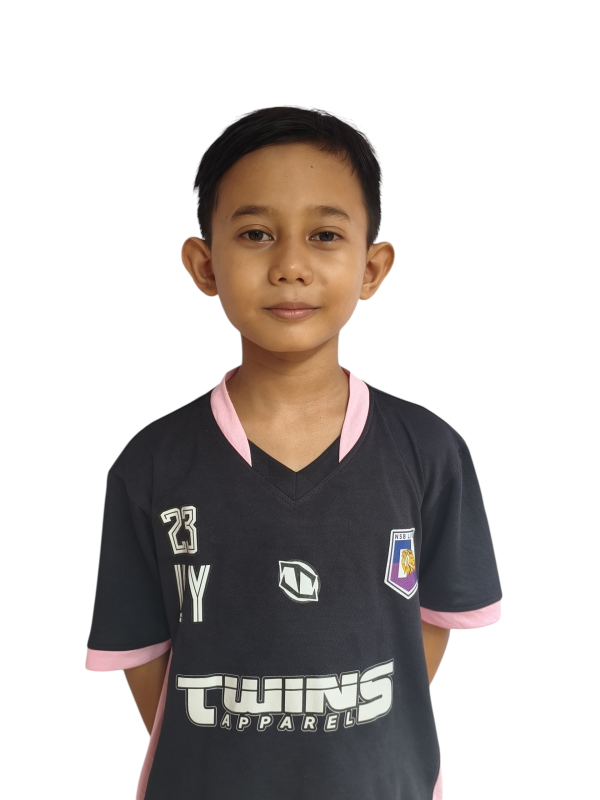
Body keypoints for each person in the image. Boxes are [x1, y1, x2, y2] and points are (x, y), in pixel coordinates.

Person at [86, 106, 502, 800]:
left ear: (372, 267)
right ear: (204, 264)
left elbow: (426, 626)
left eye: (324, 235)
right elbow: (142, 650)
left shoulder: (428, 450)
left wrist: (339, 732)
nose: (290, 267)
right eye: (255, 234)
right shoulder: (152, 464)